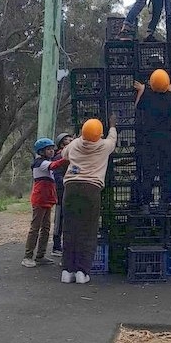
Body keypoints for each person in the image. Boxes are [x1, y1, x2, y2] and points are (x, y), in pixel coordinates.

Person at [60, 117, 117, 284]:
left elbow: (64, 155)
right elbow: (112, 138)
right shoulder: (104, 146)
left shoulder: (75, 144)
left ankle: (67, 270)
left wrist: (78, 138)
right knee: (88, 230)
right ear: (99, 134)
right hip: (91, 189)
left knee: (70, 229)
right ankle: (82, 272)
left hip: (70, 187)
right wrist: (112, 126)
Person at [134, 69, 171, 214]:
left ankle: (146, 203)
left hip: (149, 140)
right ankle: (169, 203)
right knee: (167, 171)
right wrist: (169, 90)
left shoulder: (147, 96)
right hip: (167, 140)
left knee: (148, 171)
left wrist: (141, 90)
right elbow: (169, 98)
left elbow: (137, 106)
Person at [21, 138, 68, 268]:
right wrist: (68, 157)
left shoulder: (46, 162)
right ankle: (28, 256)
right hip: (40, 199)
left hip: (47, 200)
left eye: (52, 148)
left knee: (46, 229)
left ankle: (40, 256)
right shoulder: (39, 163)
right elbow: (54, 165)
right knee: (35, 228)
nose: (52, 151)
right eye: (48, 149)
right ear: (41, 151)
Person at [51, 132, 73, 256]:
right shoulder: (59, 156)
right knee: (59, 219)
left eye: (70, 138)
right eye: (66, 139)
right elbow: (57, 175)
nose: (69, 140)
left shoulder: (71, 154)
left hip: (69, 190)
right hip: (61, 192)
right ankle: (56, 246)